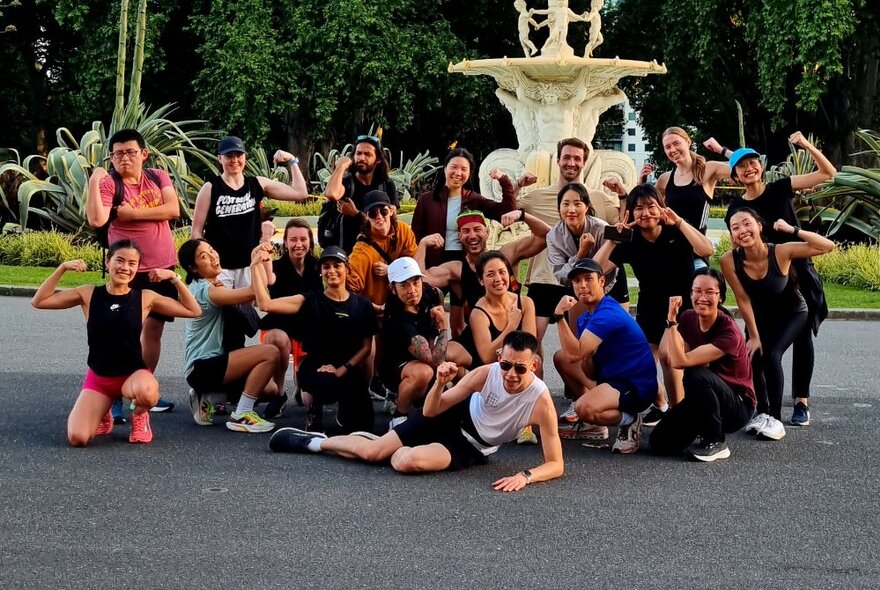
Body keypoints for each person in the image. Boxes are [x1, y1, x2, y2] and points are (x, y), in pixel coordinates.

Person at [269, 331, 564, 492]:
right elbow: (434, 409)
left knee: (404, 461)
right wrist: (439, 383)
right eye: (506, 365)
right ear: (499, 358)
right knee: (374, 454)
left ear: (534, 366)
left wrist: (525, 476)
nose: (510, 374)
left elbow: (555, 464)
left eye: (520, 368)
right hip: (450, 415)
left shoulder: (540, 401)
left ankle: (380, 443)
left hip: (470, 446)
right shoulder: (485, 374)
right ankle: (314, 442)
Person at [31, 239, 201, 446]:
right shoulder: (88, 293)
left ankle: (139, 416)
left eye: (132, 264)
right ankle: (103, 412)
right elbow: (39, 301)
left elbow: (193, 310)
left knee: (147, 393)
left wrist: (174, 278)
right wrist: (62, 268)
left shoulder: (145, 298)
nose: (125, 268)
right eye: (119, 261)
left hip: (133, 375)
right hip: (100, 379)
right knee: (78, 438)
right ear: (107, 262)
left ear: (137, 268)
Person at [720, 132, 837, 426]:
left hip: (797, 266)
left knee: (801, 335)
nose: (749, 168)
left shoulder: (779, 188)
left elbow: (828, 173)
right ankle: (761, 405)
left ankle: (801, 401)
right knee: (757, 343)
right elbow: (737, 248)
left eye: (753, 163)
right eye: (741, 166)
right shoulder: (736, 209)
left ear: (760, 166)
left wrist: (807, 146)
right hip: (762, 277)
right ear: (734, 175)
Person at [593, 184, 715, 411]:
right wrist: (613, 239)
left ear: (662, 208)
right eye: (638, 208)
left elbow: (707, 250)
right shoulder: (631, 240)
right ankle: (662, 406)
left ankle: (681, 413)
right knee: (643, 364)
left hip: (683, 307)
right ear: (631, 213)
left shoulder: (675, 231)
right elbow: (596, 270)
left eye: (651, 206)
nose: (645, 213)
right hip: (650, 307)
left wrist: (679, 222)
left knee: (675, 361)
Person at [86, 128, 182, 414]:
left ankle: (143, 388)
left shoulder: (157, 176)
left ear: (143, 154)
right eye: (117, 154)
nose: (124, 158)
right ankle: (115, 394)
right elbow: (96, 218)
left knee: (153, 331)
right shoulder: (109, 185)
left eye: (130, 152)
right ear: (111, 158)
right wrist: (93, 182)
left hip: (162, 267)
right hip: (128, 271)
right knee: (120, 333)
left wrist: (133, 214)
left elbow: (173, 208)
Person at [721, 209, 835, 439]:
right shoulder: (729, 260)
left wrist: (792, 230)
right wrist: (753, 336)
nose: (743, 230)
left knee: (772, 355)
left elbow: (827, 246)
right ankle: (761, 412)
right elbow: (742, 298)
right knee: (753, 354)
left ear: (759, 226)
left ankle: (774, 418)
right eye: (736, 227)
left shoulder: (781, 251)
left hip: (792, 313)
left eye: (747, 224)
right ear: (732, 235)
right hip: (761, 316)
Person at [518, 138, 629, 365]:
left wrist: (623, 195)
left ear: (584, 163)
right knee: (532, 340)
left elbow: (622, 225)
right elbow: (507, 208)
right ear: (557, 160)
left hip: (584, 280)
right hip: (546, 276)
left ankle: (577, 386)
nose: (571, 162)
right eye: (566, 157)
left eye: (577, 158)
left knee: (581, 338)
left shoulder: (597, 197)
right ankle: (530, 386)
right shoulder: (538, 196)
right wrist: (518, 184)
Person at [252, 245, 378, 434]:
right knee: (324, 382)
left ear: (347, 269)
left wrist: (342, 370)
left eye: (337, 265)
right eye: (326, 267)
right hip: (316, 368)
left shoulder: (362, 304)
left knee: (366, 426)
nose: (332, 271)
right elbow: (265, 304)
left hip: (347, 368)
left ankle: (345, 408)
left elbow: (366, 347)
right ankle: (314, 412)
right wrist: (255, 266)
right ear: (320, 272)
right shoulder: (310, 300)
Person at [179, 239, 288, 433]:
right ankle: (242, 414)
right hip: (203, 367)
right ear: (193, 268)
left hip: (215, 366)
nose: (213, 256)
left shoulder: (213, 286)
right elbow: (255, 292)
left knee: (269, 389)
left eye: (212, 250)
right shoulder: (207, 291)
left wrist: (256, 256)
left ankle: (209, 397)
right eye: (204, 256)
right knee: (271, 353)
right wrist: (254, 262)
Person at [552, 258, 657, 453]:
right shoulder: (586, 317)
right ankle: (594, 423)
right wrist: (588, 358)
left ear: (601, 281)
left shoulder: (607, 313)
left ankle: (630, 420)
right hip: (612, 378)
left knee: (583, 408)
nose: (582, 285)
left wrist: (559, 316)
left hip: (635, 386)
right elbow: (587, 368)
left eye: (588, 279)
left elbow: (575, 353)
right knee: (561, 358)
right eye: (576, 281)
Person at [651, 269, 756, 461]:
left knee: (695, 373)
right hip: (705, 397)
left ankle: (716, 441)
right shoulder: (689, 318)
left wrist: (672, 320)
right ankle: (701, 427)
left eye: (710, 292)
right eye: (697, 291)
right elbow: (678, 354)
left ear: (721, 297)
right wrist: (672, 322)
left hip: (737, 406)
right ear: (690, 294)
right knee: (659, 443)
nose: (702, 297)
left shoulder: (729, 332)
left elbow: (680, 361)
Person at [417, 209, 551, 338]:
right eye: (466, 231)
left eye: (477, 229)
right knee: (450, 356)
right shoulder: (456, 269)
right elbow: (419, 280)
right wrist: (422, 244)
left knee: (534, 354)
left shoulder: (506, 255)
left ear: (487, 232)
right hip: (481, 337)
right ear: (459, 236)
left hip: (514, 334)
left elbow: (547, 236)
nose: (472, 235)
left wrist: (522, 215)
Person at [380, 257, 472, 429]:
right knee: (425, 371)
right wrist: (443, 327)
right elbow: (434, 361)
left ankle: (469, 405)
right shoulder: (397, 319)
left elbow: (438, 293)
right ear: (393, 289)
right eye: (404, 285)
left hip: (425, 354)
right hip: (396, 367)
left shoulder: (430, 292)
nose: (412, 290)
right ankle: (399, 415)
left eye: (416, 282)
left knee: (459, 360)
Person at [412, 147, 519, 271]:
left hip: (467, 261)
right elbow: (415, 234)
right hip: (433, 262)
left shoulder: (474, 199)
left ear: (469, 173)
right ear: (445, 168)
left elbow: (506, 213)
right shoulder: (426, 200)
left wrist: (504, 180)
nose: (458, 173)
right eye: (454, 167)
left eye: (464, 169)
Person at [258, 218, 324, 418]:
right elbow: (268, 278)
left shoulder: (318, 267)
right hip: (280, 326)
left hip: (308, 329)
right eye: (293, 239)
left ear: (310, 242)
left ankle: (301, 383)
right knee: (278, 339)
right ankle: (279, 393)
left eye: (303, 239)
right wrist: (266, 238)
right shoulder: (276, 266)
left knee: (307, 400)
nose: (298, 244)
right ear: (285, 242)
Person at [647, 127, 731, 246]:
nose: (673, 150)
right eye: (668, 147)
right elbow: (646, 206)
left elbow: (747, 168)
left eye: (676, 143)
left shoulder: (708, 169)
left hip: (696, 251)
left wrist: (721, 150)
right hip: (668, 249)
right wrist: (642, 181)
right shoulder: (664, 179)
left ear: (688, 142)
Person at [323, 133, 398, 252]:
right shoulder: (347, 183)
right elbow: (332, 194)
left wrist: (356, 214)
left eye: (368, 154)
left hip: (375, 253)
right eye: (358, 153)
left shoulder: (385, 184)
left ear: (378, 159)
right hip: (346, 254)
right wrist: (341, 166)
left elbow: (391, 218)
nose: (362, 158)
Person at [347, 190, 418, 308]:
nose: (379, 216)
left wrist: (392, 269)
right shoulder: (362, 249)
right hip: (376, 308)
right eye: (373, 213)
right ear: (366, 216)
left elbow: (413, 266)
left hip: (403, 304)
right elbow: (350, 287)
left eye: (383, 211)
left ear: (391, 211)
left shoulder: (403, 230)